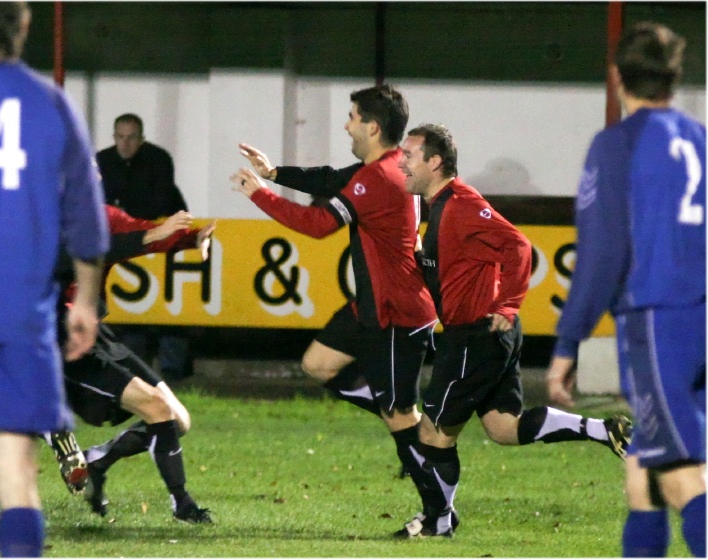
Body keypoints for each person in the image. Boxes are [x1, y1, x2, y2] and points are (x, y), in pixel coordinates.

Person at [393, 123, 633, 538]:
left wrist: (508, 302)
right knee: (505, 428)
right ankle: (602, 430)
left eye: (410, 155)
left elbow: (518, 246)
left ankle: (439, 520)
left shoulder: (463, 204)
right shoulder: (440, 209)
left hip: (476, 336)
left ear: (435, 162)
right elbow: (456, 271)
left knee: (432, 432)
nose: (402, 162)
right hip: (485, 335)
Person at [233, 84, 438, 503]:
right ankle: (401, 416)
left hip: (396, 312)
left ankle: (439, 511)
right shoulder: (387, 165)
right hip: (373, 305)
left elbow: (318, 225)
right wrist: (275, 174)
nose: (347, 126)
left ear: (373, 126)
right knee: (318, 364)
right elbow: (328, 179)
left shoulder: (379, 178)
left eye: (352, 118)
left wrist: (259, 194)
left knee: (400, 420)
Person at [545, 22, 705, 558]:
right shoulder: (700, 140)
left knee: (681, 477)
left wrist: (568, 342)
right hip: (700, 316)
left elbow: (602, 255)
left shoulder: (617, 145)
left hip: (660, 323)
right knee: (643, 474)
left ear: (617, 77)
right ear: (674, 79)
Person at [0, 2, 109, 556]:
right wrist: (85, 301)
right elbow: (87, 221)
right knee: (16, 468)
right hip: (20, 311)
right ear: (24, 28)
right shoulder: (50, 104)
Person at [53, 205, 216, 524]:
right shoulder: (39, 216)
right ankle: (182, 504)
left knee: (178, 420)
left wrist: (191, 239)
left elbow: (139, 231)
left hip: (95, 334)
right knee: (157, 408)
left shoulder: (98, 213)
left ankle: (97, 462)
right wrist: (152, 233)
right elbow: (80, 254)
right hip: (63, 341)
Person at [96, 113, 192, 382]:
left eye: (131, 138)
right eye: (120, 137)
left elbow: (160, 203)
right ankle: (133, 370)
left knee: (170, 308)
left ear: (142, 138)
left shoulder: (158, 160)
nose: (125, 144)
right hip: (129, 240)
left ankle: (173, 373)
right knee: (130, 315)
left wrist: (126, 217)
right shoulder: (102, 161)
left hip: (157, 240)